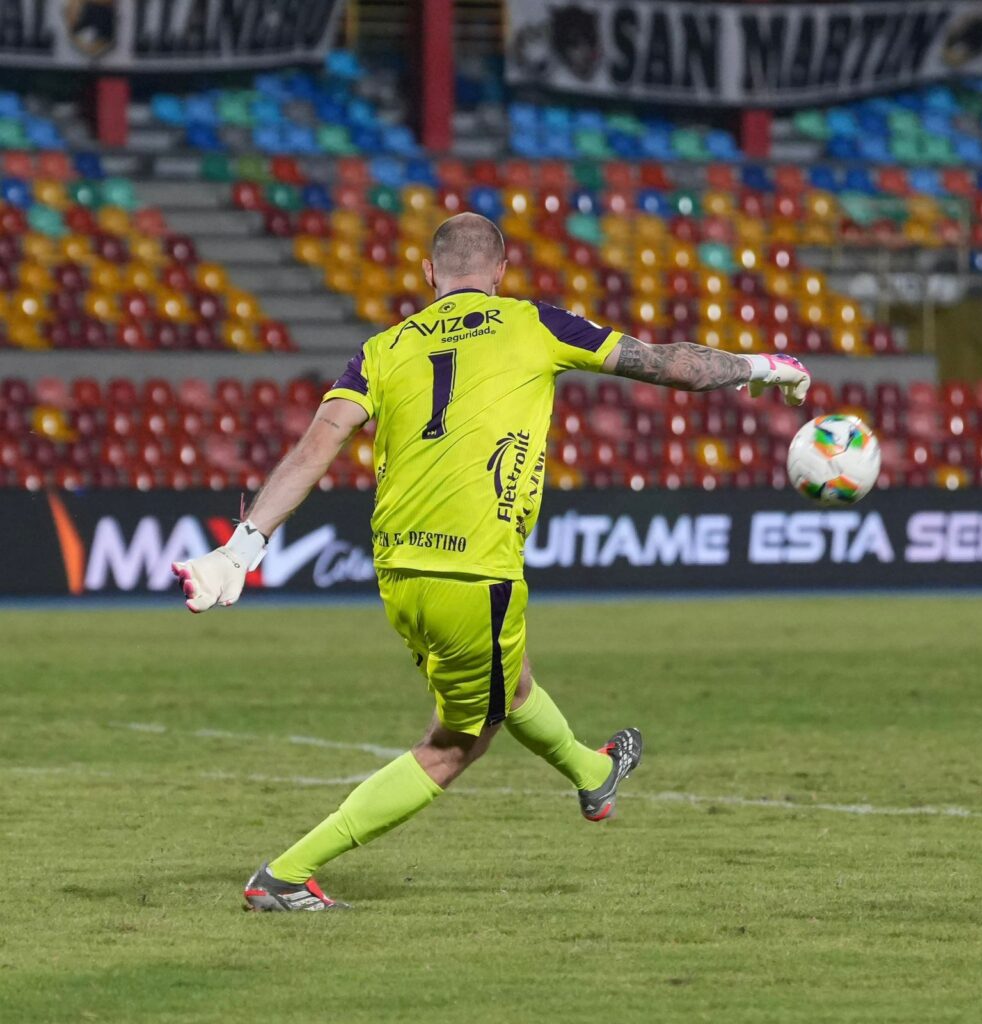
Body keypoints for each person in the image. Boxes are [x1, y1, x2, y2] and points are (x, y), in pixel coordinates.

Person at [171, 212, 811, 912]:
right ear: (501, 273)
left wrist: (244, 544)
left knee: (512, 682)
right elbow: (665, 365)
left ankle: (595, 775)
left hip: (397, 570)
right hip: (475, 570)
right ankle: (287, 875)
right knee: (454, 746)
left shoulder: (382, 348)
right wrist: (762, 367)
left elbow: (317, 445)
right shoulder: (533, 323)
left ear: (428, 275)